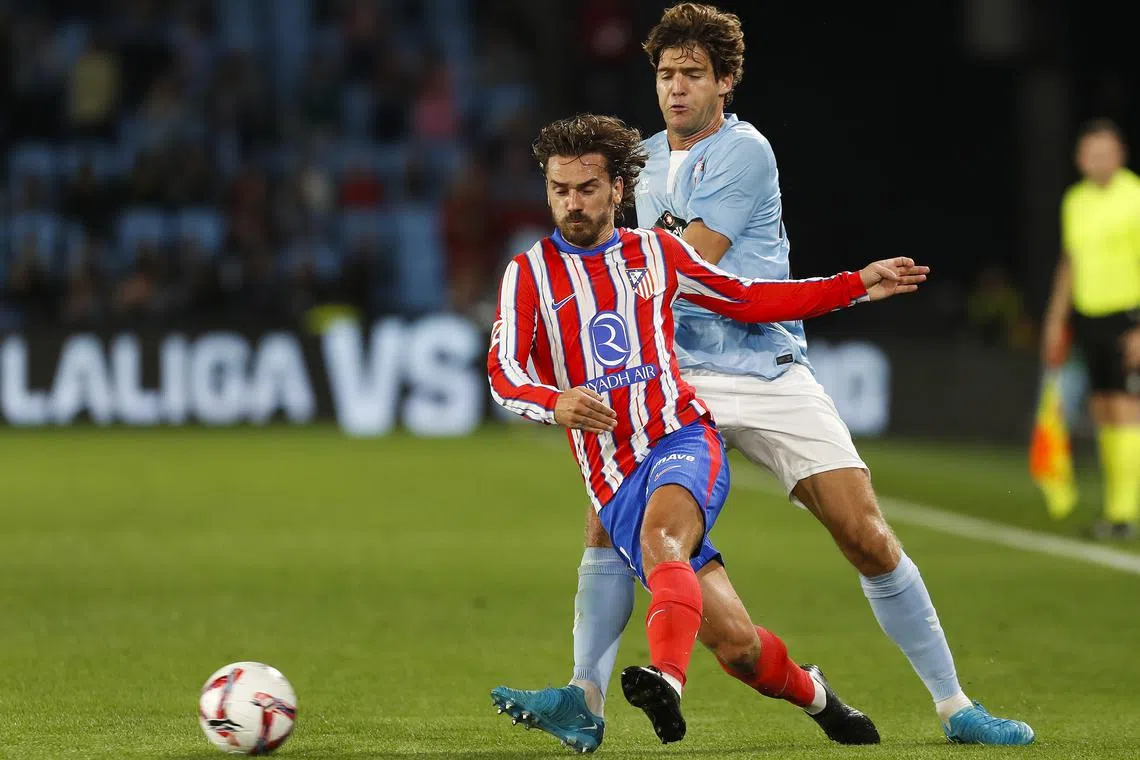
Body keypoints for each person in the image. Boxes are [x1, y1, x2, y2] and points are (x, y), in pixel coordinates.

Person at [491, 2, 1034, 750]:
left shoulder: (745, 152)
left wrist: (847, 282)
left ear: (725, 81)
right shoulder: (636, 163)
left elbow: (698, 263)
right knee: (610, 516)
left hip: (764, 365)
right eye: (664, 74)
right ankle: (586, 693)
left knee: (866, 535)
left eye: (691, 75)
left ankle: (956, 705)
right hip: (677, 375)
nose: (675, 89)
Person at [488, 113, 927, 749]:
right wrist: (553, 403)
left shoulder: (657, 253)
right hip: (614, 476)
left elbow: (750, 298)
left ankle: (663, 679)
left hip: (681, 438)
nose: (572, 203)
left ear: (618, 189)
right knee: (739, 645)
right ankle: (819, 697)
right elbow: (503, 374)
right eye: (559, 190)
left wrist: (853, 285)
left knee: (662, 534)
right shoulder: (526, 275)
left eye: (586, 188)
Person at [1042, 118, 1140, 540]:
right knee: (1102, 409)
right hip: (1088, 318)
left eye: (1106, 152)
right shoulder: (1075, 201)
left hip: (1127, 317)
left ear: (1120, 155)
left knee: (1126, 409)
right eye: (1090, 153)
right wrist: (1055, 317)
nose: (1098, 160)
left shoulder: (1135, 196)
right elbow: (1070, 262)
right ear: (1080, 159)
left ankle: (1124, 513)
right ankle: (1116, 510)